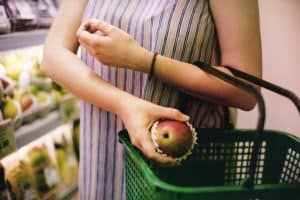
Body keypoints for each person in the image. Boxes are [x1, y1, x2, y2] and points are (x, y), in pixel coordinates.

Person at [41, 0, 262, 199]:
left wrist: (143, 60)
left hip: (184, 165)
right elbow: (53, 55)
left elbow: (247, 91)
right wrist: (124, 104)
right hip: (102, 156)